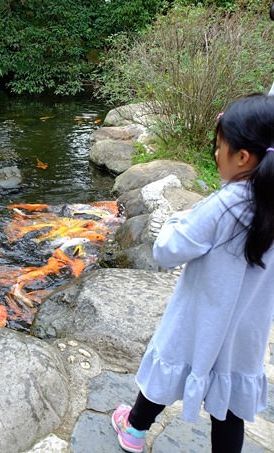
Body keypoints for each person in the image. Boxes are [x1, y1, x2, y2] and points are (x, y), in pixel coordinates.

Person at [111, 93, 274, 453]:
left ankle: (134, 431)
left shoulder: (228, 203)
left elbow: (169, 249)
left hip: (201, 316)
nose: (216, 155)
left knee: (168, 364)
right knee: (229, 401)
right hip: (246, 325)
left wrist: (173, 219)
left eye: (219, 147)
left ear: (243, 157)